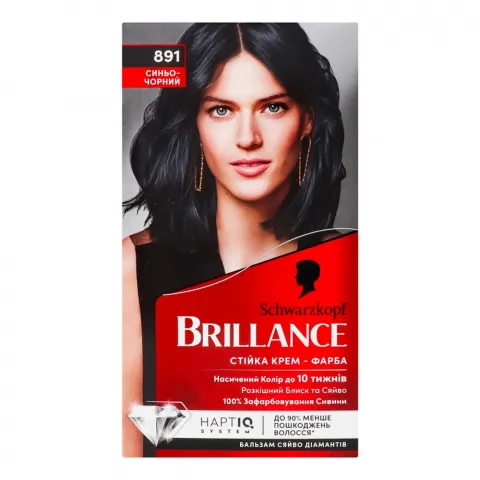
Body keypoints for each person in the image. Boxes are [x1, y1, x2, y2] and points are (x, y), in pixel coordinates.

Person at [122, 22, 346, 457]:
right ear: (194, 124)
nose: (248, 138)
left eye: (273, 107)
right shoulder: (129, 271)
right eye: (221, 110)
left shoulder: (353, 270)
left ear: (307, 119)